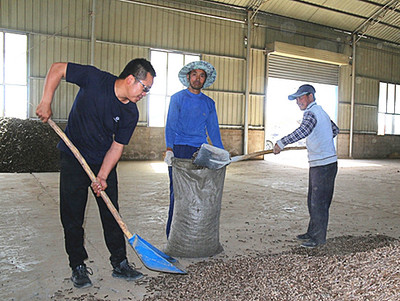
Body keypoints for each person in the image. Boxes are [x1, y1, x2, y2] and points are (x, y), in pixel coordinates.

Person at [36, 59, 156, 288]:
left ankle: (120, 262)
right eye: (145, 88)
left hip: (103, 161)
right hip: (73, 158)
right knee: (72, 215)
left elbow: (117, 146)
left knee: (111, 214)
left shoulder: (130, 112)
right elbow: (58, 69)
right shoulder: (94, 79)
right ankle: (77, 266)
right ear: (131, 79)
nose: (145, 94)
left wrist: (102, 176)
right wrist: (46, 100)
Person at [273, 84, 339, 248]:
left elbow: (303, 131)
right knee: (313, 201)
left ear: (310, 96)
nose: (298, 102)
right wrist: (320, 140)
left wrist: (281, 143)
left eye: (300, 97)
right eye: (296, 99)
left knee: (319, 202)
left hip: (323, 165)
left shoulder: (311, 113)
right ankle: (312, 232)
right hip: (323, 164)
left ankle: (318, 239)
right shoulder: (321, 112)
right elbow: (335, 130)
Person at [164, 60, 224, 238]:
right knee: (178, 194)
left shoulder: (209, 103)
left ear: (205, 80)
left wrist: (221, 152)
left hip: (200, 151)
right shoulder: (177, 98)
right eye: (195, 74)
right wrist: (169, 148)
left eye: (202, 75)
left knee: (200, 194)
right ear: (188, 77)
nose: (198, 78)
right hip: (180, 150)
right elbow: (170, 125)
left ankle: (195, 236)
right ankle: (172, 237)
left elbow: (213, 130)